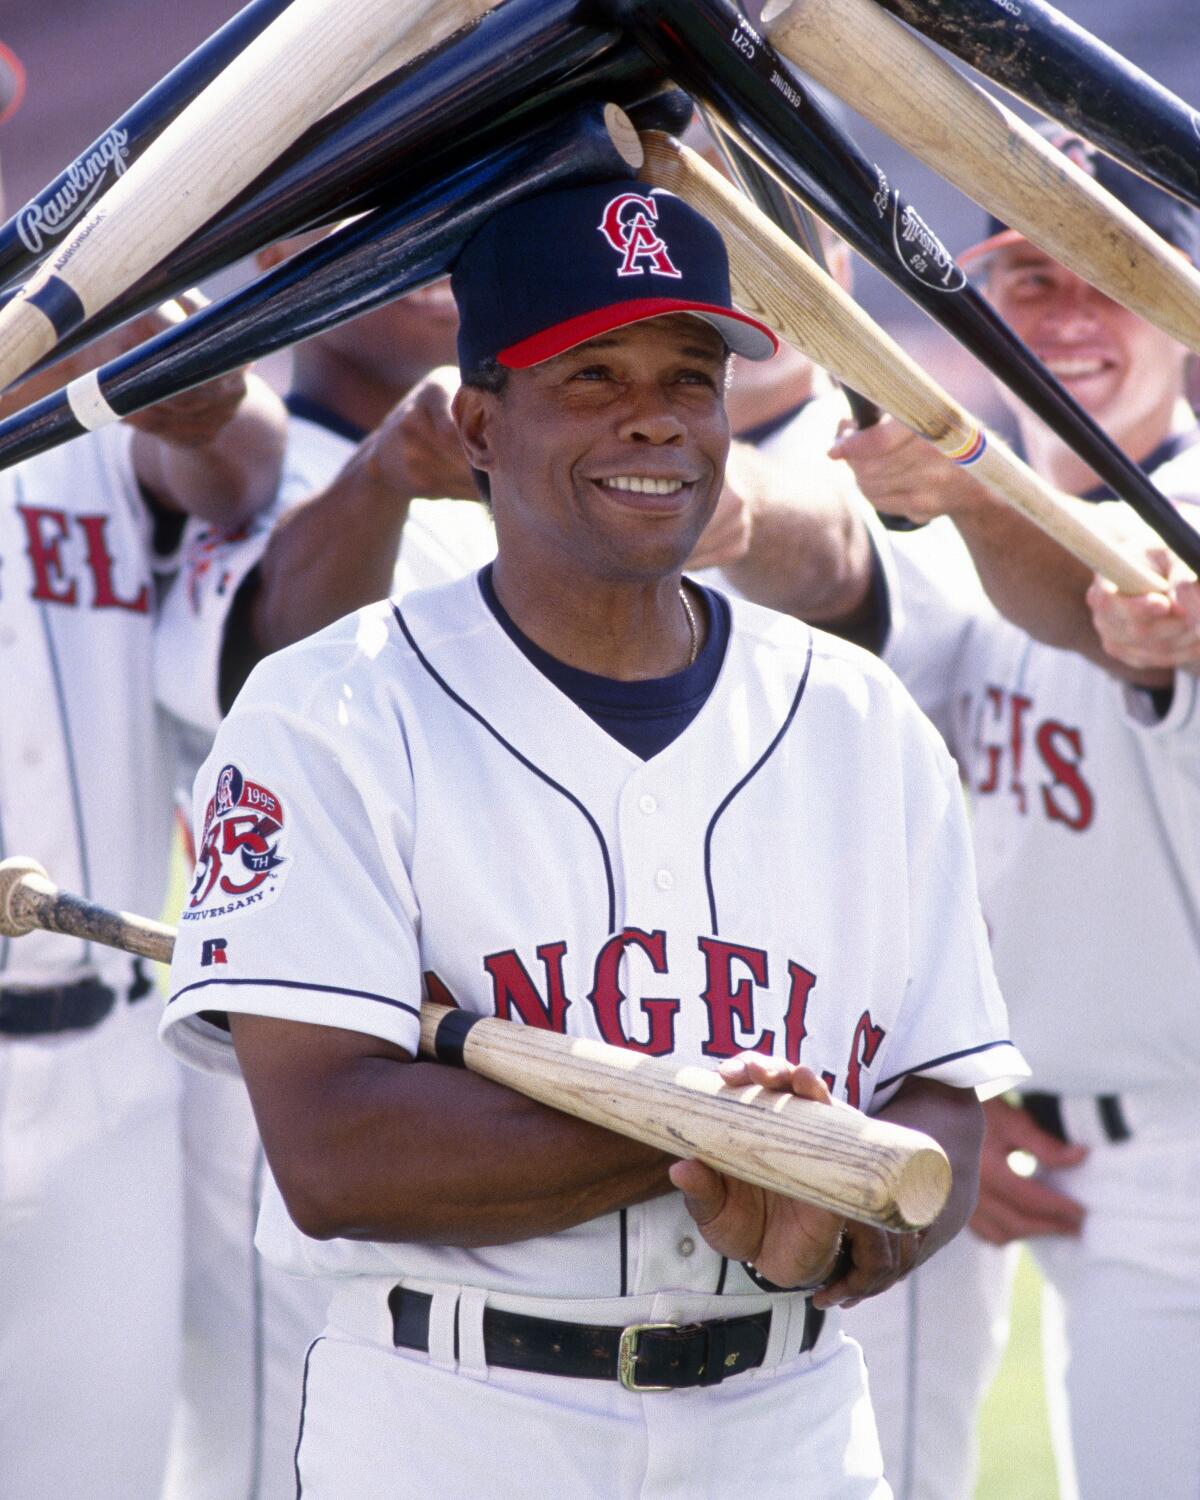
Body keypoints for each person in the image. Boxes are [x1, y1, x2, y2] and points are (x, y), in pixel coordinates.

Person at [160, 175, 1024, 1498]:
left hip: (792, 1426)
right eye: (593, 373)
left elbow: (945, 1109)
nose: (655, 420)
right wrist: (735, 1131)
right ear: (478, 423)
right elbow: (334, 1152)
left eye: (690, 376)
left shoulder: (859, 716)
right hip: (456, 1423)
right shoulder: (329, 709)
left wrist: (844, 1229)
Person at [833, 127, 1200, 1500]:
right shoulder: (951, 544)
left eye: (1111, 271)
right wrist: (969, 1097)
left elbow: (1118, 606)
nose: (1073, 315)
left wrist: (973, 479)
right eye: (1029, 276)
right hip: (1058, 1152)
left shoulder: (1173, 519)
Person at [155, 254, 496, 1500]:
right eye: (377, 218)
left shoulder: (531, 474)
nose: (432, 256)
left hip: (500, 1067)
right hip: (300, 1080)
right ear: (282, 256)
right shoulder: (244, 476)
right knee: (274, 1464)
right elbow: (256, 669)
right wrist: (385, 475)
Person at [0, 99, 287, 1500]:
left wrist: (203, 387)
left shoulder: (72, 345)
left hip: (107, 1063)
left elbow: (242, 477)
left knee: (94, 1473)